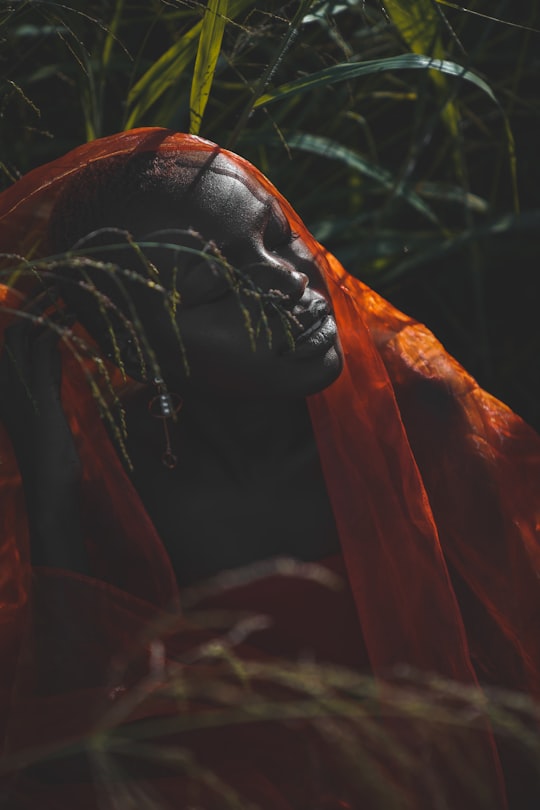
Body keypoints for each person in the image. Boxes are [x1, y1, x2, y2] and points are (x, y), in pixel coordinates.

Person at [0, 128, 538, 809]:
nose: (287, 280)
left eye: (280, 236)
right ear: (135, 354)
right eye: (214, 289)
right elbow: (66, 760)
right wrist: (51, 490)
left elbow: (522, 652)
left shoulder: (414, 420)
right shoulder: (113, 480)